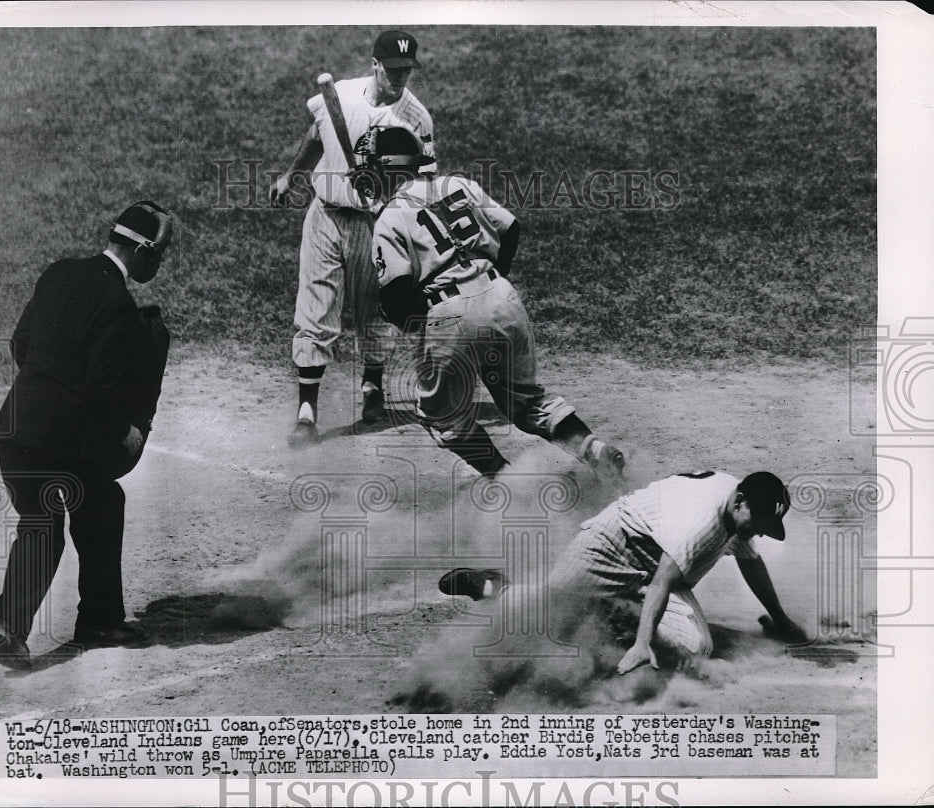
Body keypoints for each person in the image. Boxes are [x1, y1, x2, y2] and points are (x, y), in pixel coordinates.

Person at [360, 125, 624, 478]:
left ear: (384, 168)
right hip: (502, 297)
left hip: (450, 312)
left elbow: (396, 296)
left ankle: (506, 481)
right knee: (527, 402)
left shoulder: (389, 217)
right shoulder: (459, 184)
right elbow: (510, 227)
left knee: (443, 416)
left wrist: (413, 319)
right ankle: (595, 448)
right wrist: (486, 278)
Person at [0, 201, 173, 669]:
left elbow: (20, 344)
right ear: (144, 250)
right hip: (58, 442)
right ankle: (98, 621)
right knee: (101, 501)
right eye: (162, 252)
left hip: (15, 434)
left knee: (44, 522)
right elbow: (103, 387)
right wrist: (126, 436)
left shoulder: (59, 272)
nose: (162, 262)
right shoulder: (116, 304)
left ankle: (10, 626)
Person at [439, 470, 809, 673]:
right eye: (758, 521)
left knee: (696, 649)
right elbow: (664, 578)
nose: (759, 530)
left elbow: (751, 561)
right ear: (741, 502)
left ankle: (616, 614)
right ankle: (495, 586)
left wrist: (779, 618)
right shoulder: (702, 522)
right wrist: (642, 645)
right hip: (614, 545)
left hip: (657, 569)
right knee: (544, 608)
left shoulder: (738, 506)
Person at [268, 30, 436, 447]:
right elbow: (315, 137)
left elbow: (426, 182)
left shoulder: (416, 119)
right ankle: (307, 411)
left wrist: (389, 201)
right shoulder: (339, 96)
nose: (400, 78)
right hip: (324, 215)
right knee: (315, 307)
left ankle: (372, 386)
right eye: (393, 69)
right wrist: (293, 174)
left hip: (374, 225)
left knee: (376, 311)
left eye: (406, 71)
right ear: (375, 64)